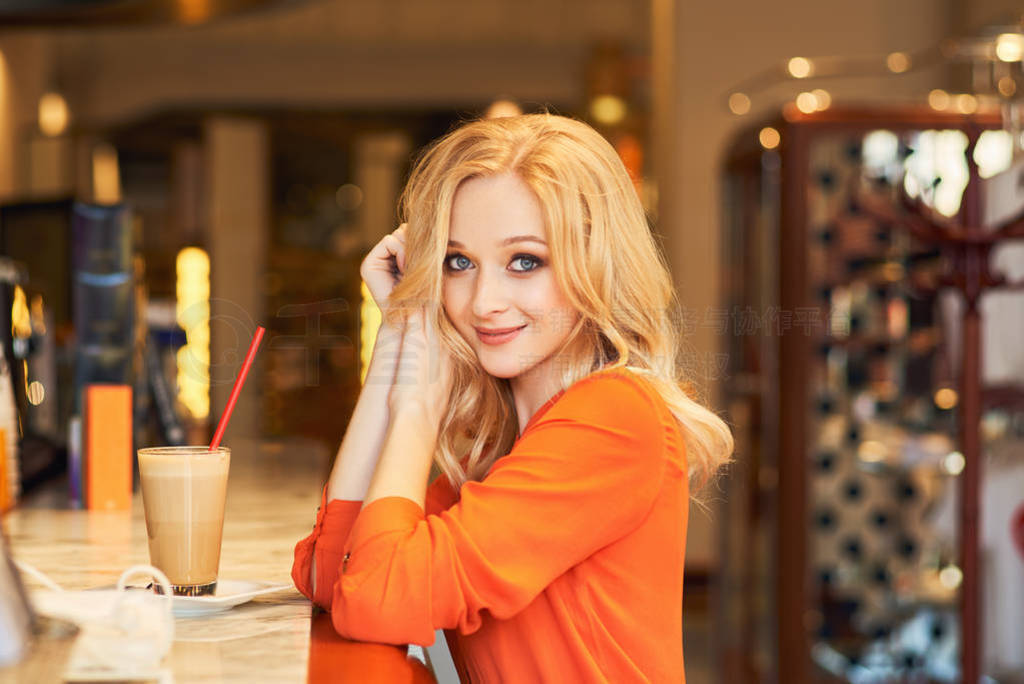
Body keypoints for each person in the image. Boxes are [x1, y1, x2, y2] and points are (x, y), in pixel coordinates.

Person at [292, 113, 733, 682]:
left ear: (596, 267)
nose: (483, 302)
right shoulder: (502, 446)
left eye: (525, 261)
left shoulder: (614, 419)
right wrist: (398, 341)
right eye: (459, 263)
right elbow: (331, 575)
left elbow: (377, 593)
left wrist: (418, 408)